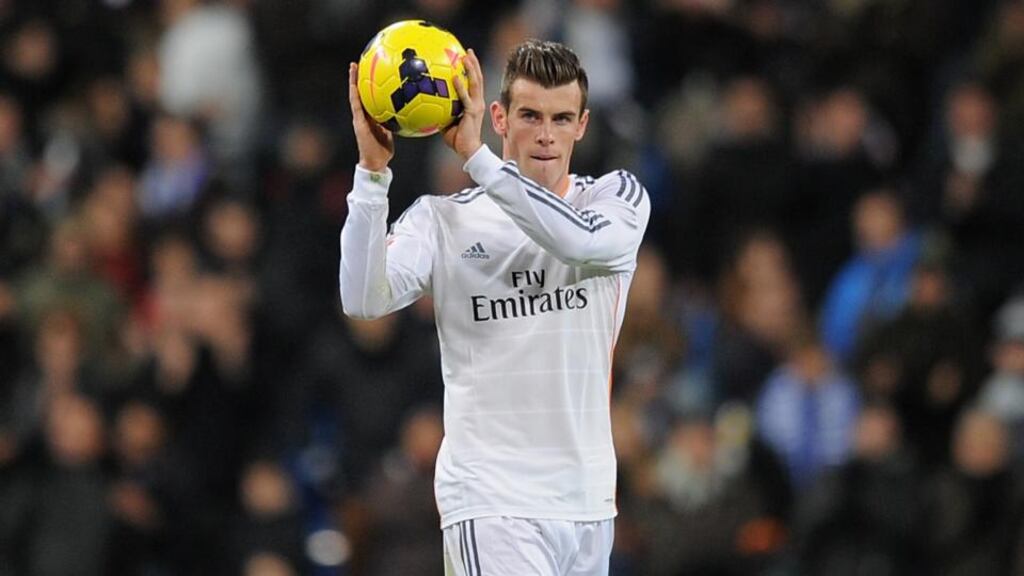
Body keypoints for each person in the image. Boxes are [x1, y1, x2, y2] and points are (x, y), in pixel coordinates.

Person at [340, 39, 651, 576]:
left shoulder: (616, 200)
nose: (546, 135)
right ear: (500, 117)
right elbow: (362, 298)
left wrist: (479, 160)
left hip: (588, 502)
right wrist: (371, 177)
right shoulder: (441, 220)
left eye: (561, 118)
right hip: (491, 501)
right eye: (530, 115)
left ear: (583, 125)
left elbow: (576, 243)